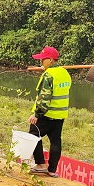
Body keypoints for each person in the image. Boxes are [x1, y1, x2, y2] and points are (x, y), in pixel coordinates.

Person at [27, 46, 72, 177]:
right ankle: (52, 170)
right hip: (60, 114)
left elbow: (44, 98)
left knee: (33, 135)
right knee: (55, 141)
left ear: (51, 60)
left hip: (47, 114)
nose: (41, 63)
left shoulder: (48, 76)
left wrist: (36, 114)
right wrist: (46, 70)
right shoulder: (64, 73)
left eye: (43, 60)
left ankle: (40, 164)